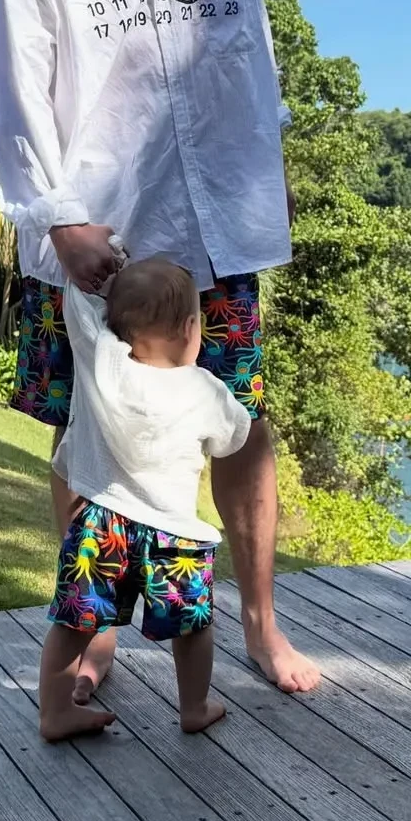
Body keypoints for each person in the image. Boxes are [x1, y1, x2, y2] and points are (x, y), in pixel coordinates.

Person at [0, 0, 319, 693]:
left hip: (217, 215)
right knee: (88, 433)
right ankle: (90, 636)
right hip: (102, 229)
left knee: (241, 418)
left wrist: (269, 150)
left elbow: (246, 38)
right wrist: (58, 216)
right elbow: (18, 88)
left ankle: (260, 624)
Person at [39, 257, 249, 741]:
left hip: (100, 524)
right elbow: (232, 438)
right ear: (191, 329)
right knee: (192, 625)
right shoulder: (205, 390)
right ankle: (194, 706)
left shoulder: (105, 365)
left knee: (74, 621)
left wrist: (105, 266)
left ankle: (55, 712)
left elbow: (79, 309)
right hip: (175, 534)